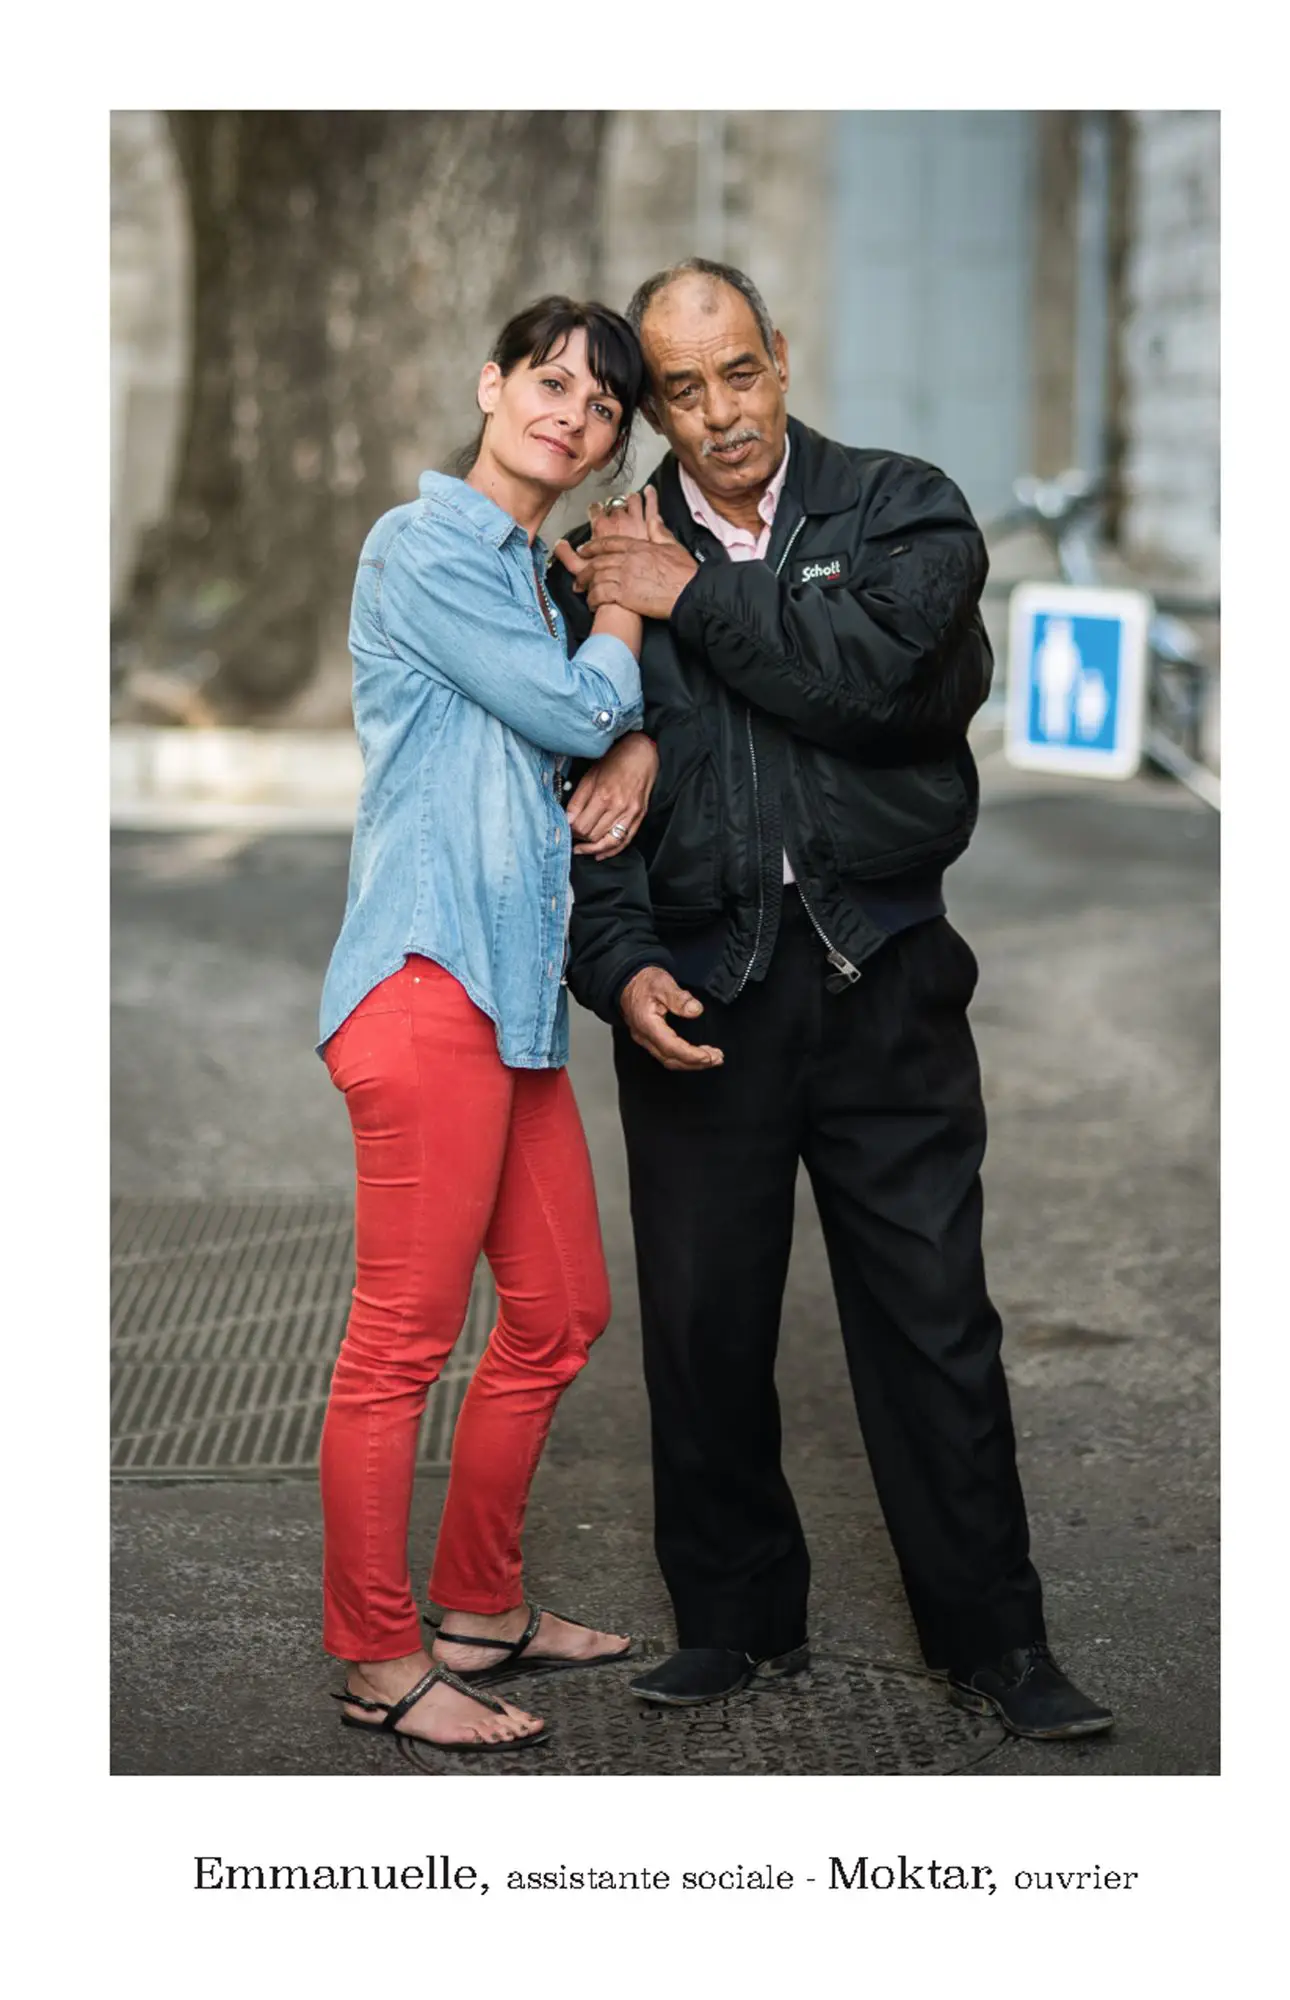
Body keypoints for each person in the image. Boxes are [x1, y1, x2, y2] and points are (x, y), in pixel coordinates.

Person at [550, 258, 1113, 1741]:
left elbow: (880, 686)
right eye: (685, 390)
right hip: (703, 986)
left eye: (740, 371)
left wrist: (695, 600)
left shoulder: (901, 509)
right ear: (653, 407)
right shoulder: (600, 558)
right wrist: (619, 964)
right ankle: (736, 1622)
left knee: (934, 1317)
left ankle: (998, 1640)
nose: (722, 413)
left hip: (888, 976)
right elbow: (577, 793)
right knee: (704, 1326)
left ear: (781, 357)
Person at [316, 296, 661, 1758]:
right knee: (398, 1347)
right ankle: (377, 1661)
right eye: (550, 381)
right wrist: (626, 616)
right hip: (424, 980)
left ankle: (478, 1607)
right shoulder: (425, 548)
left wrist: (629, 721)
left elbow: (583, 727)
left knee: (561, 1310)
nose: (572, 414)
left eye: (602, 405)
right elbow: (572, 712)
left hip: (511, 1001)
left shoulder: (528, 575)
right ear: (490, 385)